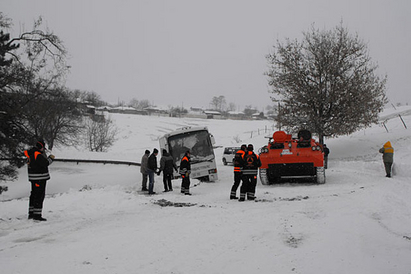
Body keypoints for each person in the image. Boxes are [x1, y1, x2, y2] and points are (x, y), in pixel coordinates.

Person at [23, 139, 55, 221]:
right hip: (40, 178)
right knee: (39, 196)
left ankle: (31, 213)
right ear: (41, 147)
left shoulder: (30, 153)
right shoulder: (37, 154)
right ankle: (37, 215)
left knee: (33, 195)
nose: (43, 150)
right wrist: (51, 158)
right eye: (43, 148)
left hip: (33, 178)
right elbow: (45, 163)